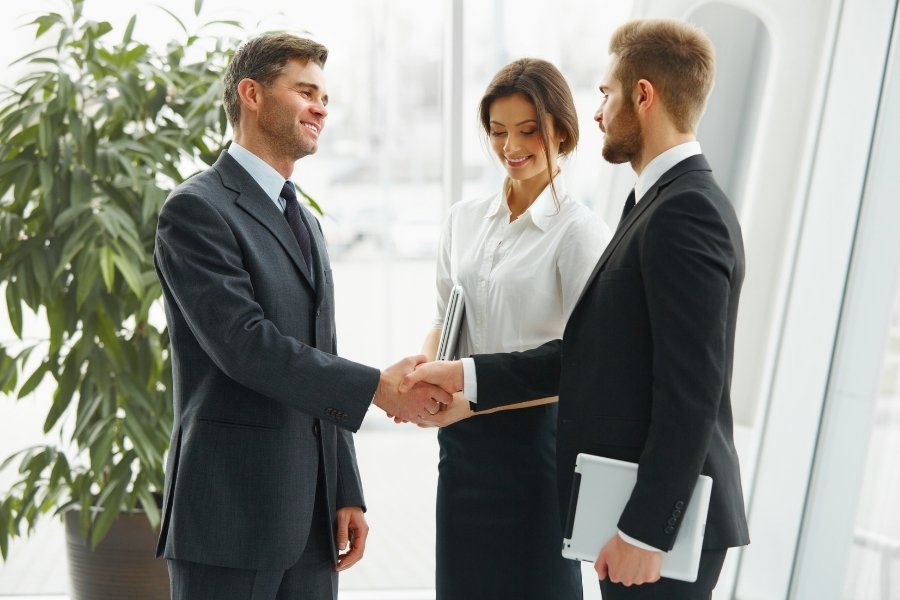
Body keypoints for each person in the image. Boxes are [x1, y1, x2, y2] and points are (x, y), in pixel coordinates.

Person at [408, 18, 750, 599]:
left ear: (642, 96)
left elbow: (690, 392)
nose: (597, 113)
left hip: (653, 522)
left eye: (605, 93)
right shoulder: (655, 205)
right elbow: (593, 355)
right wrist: (461, 374)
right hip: (623, 508)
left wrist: (646, 531)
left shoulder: (684, 211)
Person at [153, 32, 448, 600]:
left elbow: (322, 351)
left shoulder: (304, 220)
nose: (321, 108)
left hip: (311, 521)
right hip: (229, 518)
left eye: (326, 98)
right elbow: (245, 345)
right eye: (305, 91)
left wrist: (346, 488)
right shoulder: (196, 209)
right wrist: (379, 389)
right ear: (252, 94)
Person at [418, 58, 611, 600]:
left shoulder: (579, 233)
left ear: (562, 133)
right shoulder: (462, 219)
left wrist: (472, 399)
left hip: (536, 451)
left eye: (528, 130)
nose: (511, 146)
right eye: (498, 132)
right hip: (461, 449)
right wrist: (429, 379)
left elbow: (583, 362)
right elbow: (441, 316)